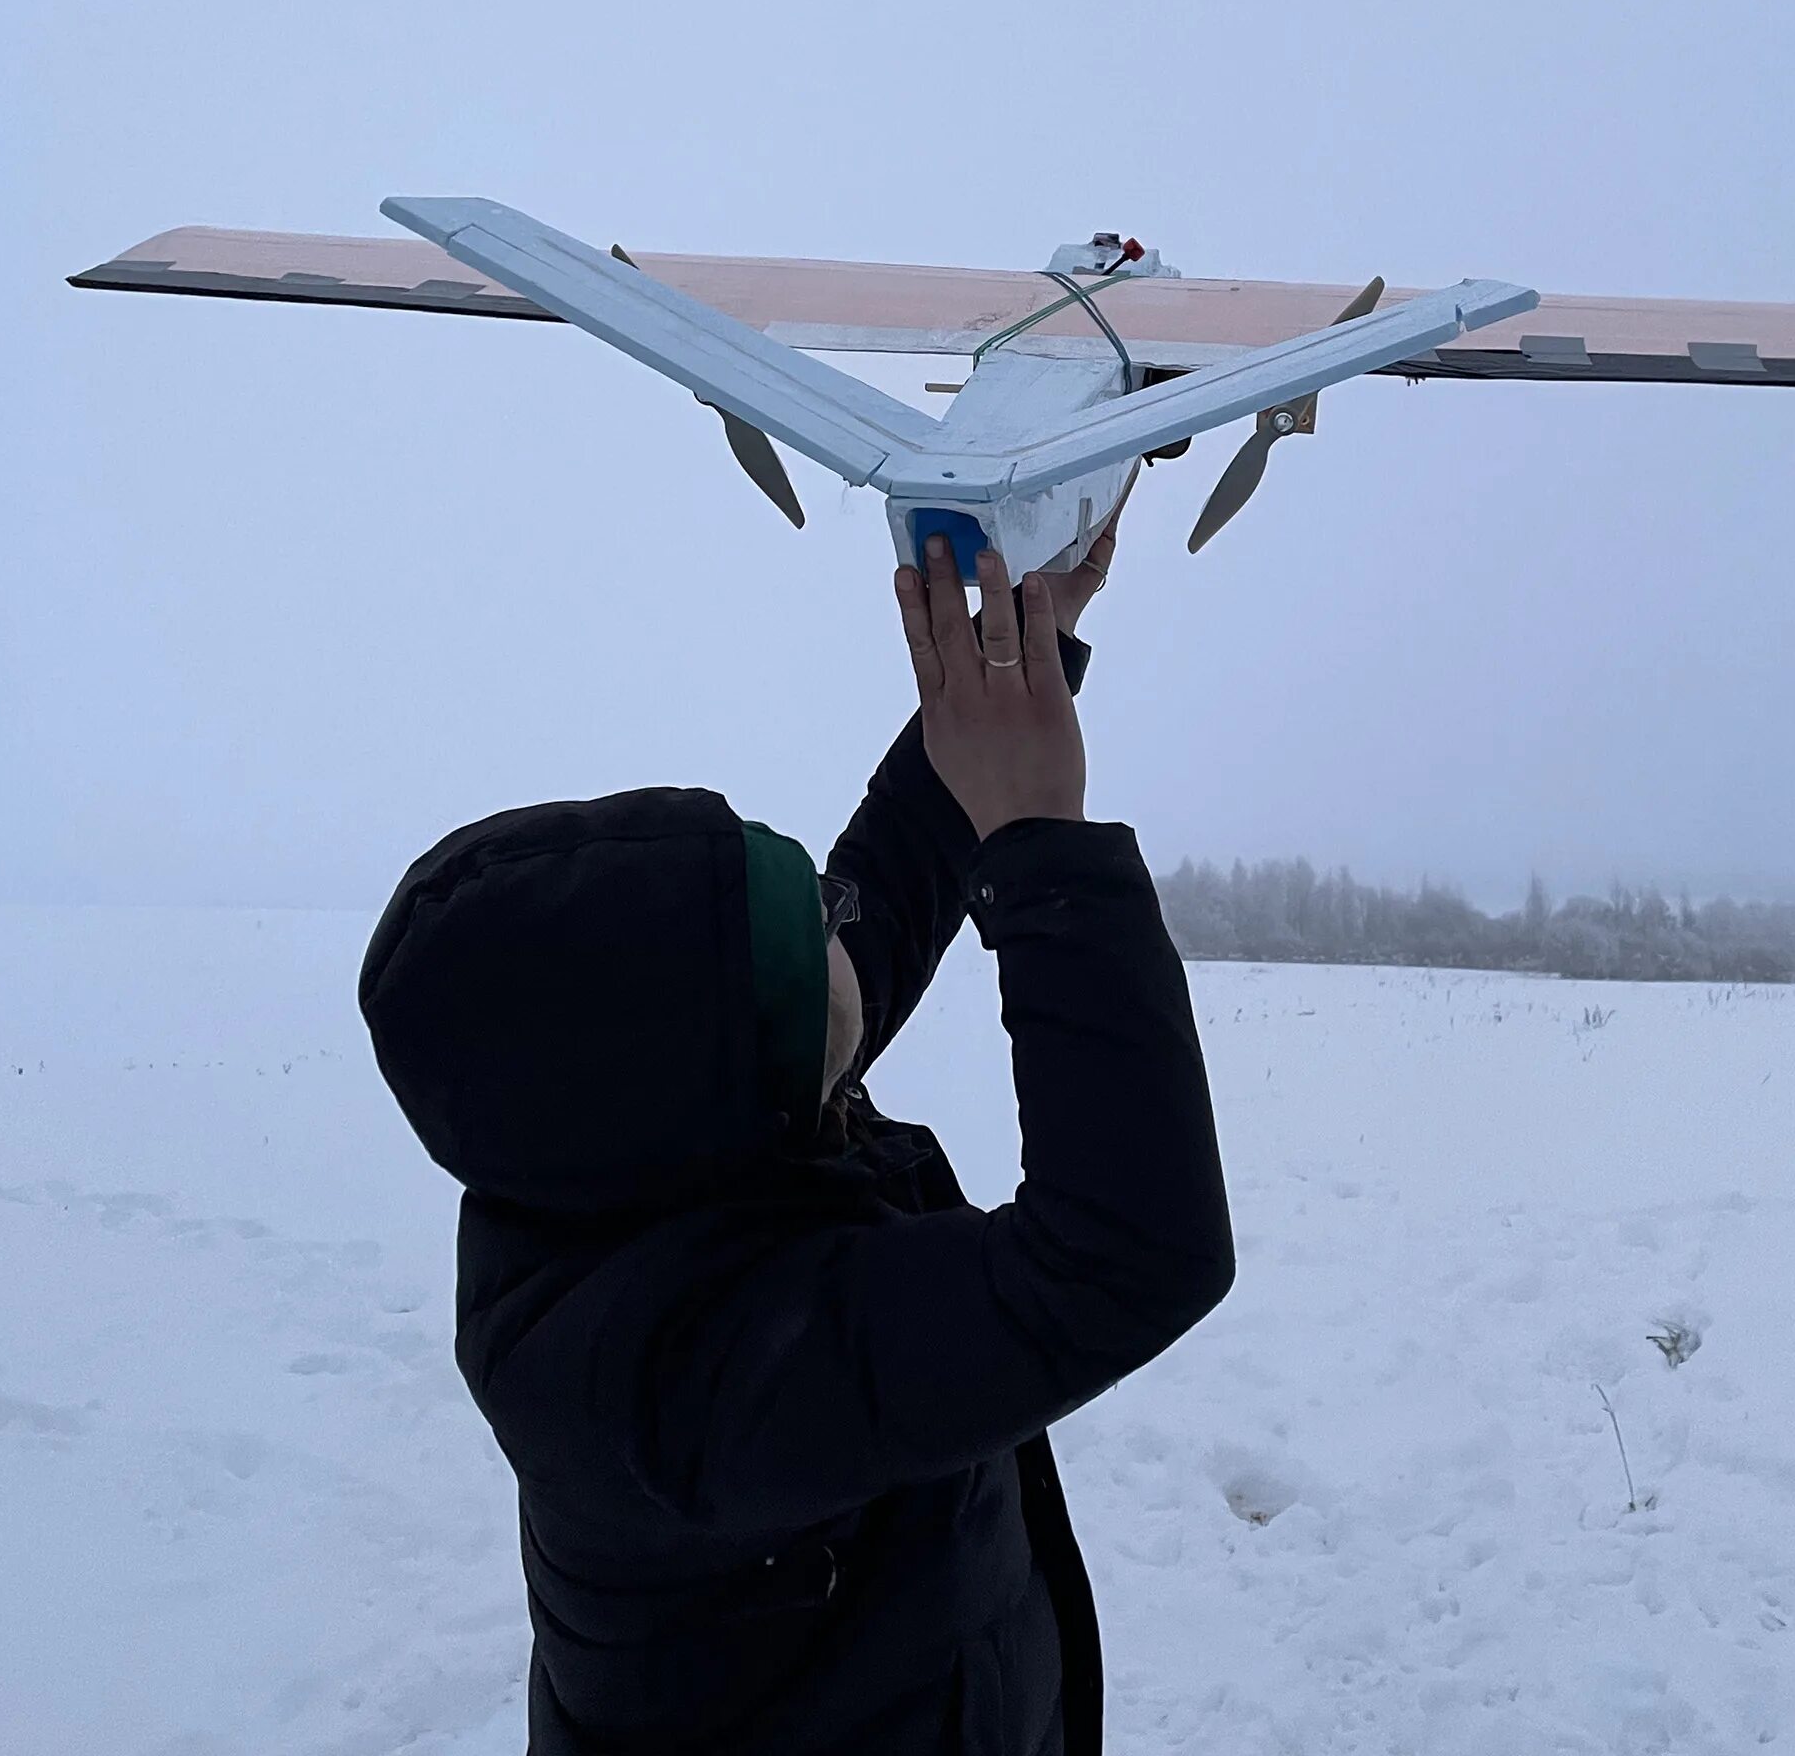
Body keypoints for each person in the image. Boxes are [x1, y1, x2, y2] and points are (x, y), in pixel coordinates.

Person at [361, 526, 1234, 1754]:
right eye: (807, 954)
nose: (846, 947)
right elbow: (1130, 1255)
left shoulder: (618, 1150)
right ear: (703, 1081)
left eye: (812, 913)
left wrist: (1011, 661)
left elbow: (860, 928)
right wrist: (1044, 848)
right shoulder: (681, 1383)